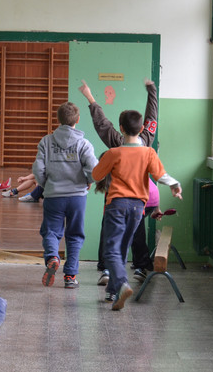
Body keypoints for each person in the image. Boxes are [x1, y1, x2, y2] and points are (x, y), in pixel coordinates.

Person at [92, 109, 182, 310]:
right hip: (137, 208)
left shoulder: (113, 153)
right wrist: (175, 184)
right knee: (122, 247)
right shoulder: (148, 152)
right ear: (141, 129)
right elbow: (161, 176)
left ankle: (122, 284)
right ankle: (113, 293)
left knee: (111, 249)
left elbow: (97, 175)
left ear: (121, 129)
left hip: (116, 206)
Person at [79, 78, 159, 286]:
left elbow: (101, 124)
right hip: (138, 199)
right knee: (137, 229)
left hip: (115, 199)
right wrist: (152, 91)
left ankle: (106, 268)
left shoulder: (116, 143)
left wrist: (89, 96)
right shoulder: (147, 141)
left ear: (121, 128)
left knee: (109, 231)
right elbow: (152, 116)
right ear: (142, 128)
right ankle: (141, 265)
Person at [33, 102, 98, 289]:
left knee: (51, 231)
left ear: (58, 119)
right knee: (75, 235)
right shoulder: (83, 143)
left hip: (53, 196)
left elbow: (38, 168)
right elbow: (93, 169)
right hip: (77, 197)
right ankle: (70, 276)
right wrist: (89, 180)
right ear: (77, 120)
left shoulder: (46, 141)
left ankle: (53, 256)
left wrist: (46, 185)